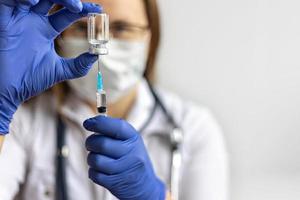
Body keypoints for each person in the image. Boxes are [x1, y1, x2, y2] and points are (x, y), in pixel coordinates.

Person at [0, 0, 229, 199]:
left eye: (121, 28)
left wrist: (154, 197)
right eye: (82, 27)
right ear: (59, 37)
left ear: (150, 36)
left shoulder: (193, 127)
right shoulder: (22, 121)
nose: (102, 44)